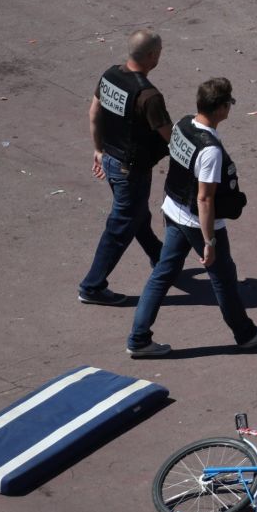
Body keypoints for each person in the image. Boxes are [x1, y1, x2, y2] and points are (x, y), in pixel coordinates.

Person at [127, 77, 257, 357]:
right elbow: (205, 198)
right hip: (198, 223)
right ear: (222, 108)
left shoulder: (183, 125)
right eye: (229, 103)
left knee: (162, 274)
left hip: (173, 211)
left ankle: (138, 339)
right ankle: (245, 334)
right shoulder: (210, 150)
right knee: (223, 278)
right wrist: (209, 241)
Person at [78, 29, 171, 306]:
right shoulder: (148, 96)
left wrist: (98, 150)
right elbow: (170, 137)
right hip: (131, 169)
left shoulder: (109, 76)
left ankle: (162, 258)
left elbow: (94, 113)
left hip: (110, 159)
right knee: (120, 227)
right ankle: (92, 286)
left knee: (136, 213)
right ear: (152, 56)